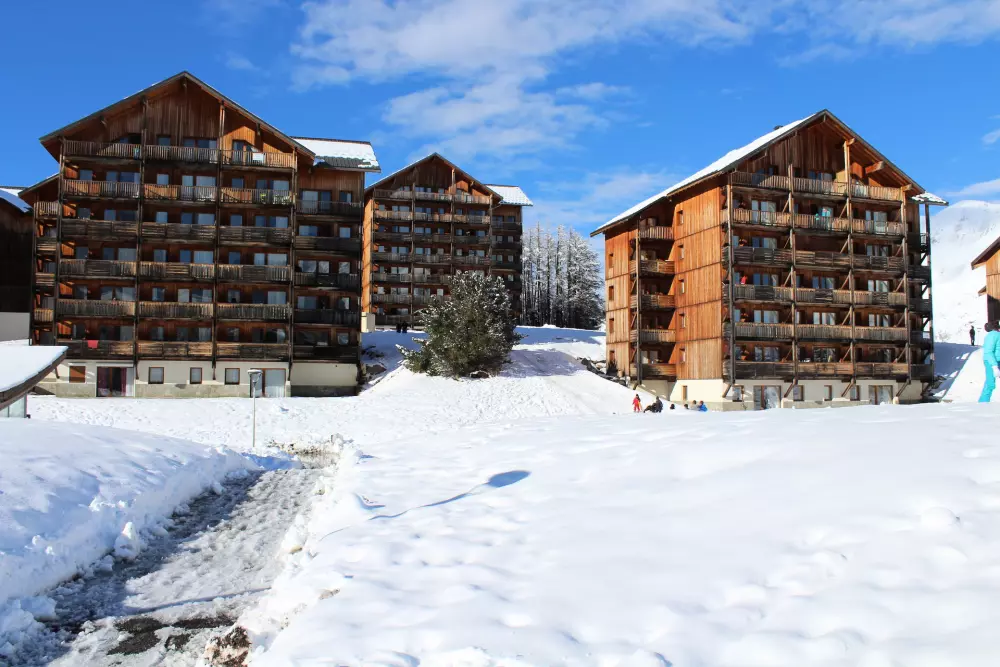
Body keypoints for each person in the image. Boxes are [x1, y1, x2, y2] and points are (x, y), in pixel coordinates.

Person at [981, 321, 1000, 403]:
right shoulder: (993, 335)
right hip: (992, 362)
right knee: (990, 384)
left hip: (996, 360)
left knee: (990, 384)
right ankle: (983, 403)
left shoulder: (996, 334)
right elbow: (988, 352)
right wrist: (994, 366)